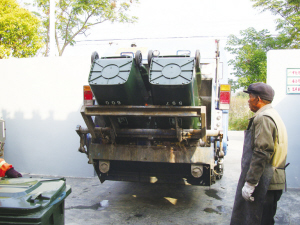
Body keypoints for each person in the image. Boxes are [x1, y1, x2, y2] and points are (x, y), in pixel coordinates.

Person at [230, 82, 288, 225]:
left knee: (259, 220)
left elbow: (262, 152)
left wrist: (250, 183)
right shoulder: (273, 114)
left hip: (265, 183)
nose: (248, 100)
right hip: (271, 182)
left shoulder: (263, 118)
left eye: (250, 96)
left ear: (259, 99)